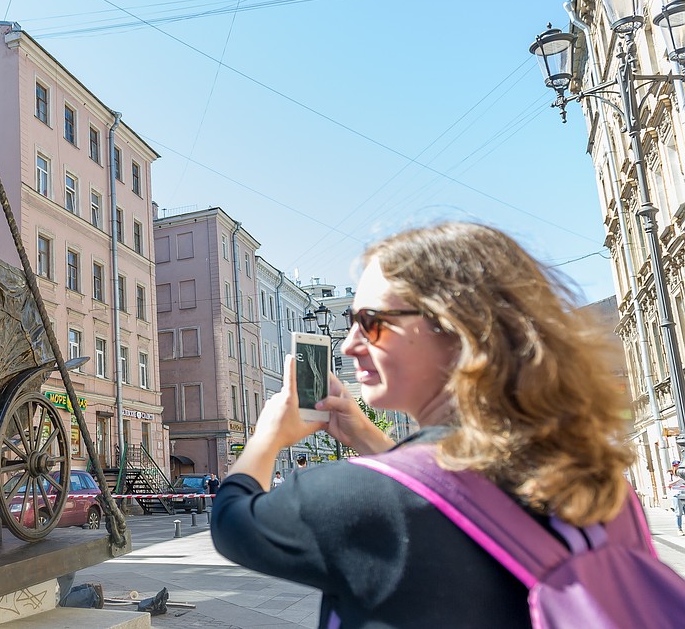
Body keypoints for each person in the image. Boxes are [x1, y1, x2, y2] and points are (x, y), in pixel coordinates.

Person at [211, 222, 635, 628]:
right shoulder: (598, 484)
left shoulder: (358, 496)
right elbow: (449, 490)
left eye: (372, 323)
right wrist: (368, 437)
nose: (349, 345)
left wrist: (268, 434)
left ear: (455, 328)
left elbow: (232, 521)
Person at [670, 460, 685, 536]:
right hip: (677, 495)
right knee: (679, 513)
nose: (677, 467)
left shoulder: (683, 473)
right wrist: (678, 479)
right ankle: (679, 529)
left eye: (678, 465)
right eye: (675, 466)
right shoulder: (671, 475)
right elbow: (668, 484)